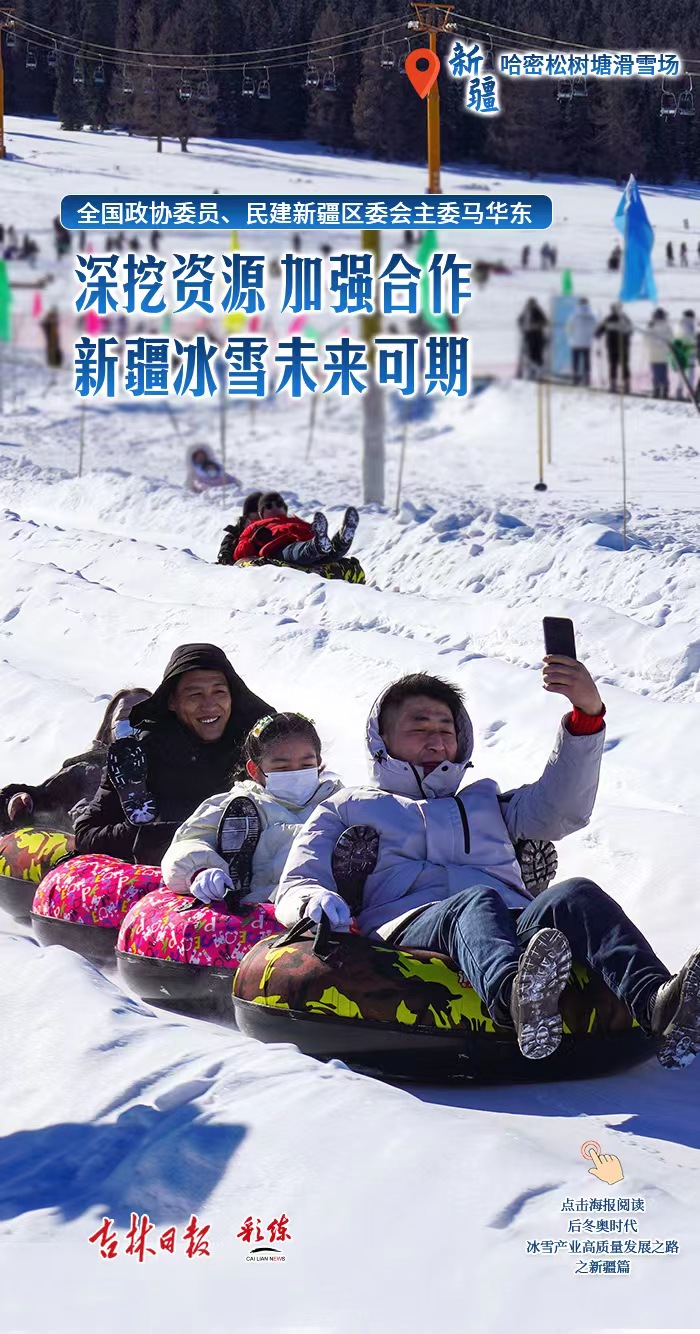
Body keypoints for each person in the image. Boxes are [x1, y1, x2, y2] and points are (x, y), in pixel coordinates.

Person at [275, 670, 700, 1070]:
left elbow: (562, 809)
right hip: (409, 921)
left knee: (577, 893)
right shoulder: (350, 805)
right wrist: (314, 900)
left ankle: (660, 1005)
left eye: (446, 730)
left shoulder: (488, 802)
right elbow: (299, 878)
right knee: (476, 900)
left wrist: (585, 718)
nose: (436, 741)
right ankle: (517, 1001)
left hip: (511, 920)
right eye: (419, 728)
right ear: (381, 740)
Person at [74, 644, 273, 865]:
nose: (209, 704)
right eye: (195, 694)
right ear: (172, 702)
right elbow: (85, 835)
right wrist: (143, 831)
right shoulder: (136, 756)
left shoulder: (259, 748)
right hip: (161, 868)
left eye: (219, 692)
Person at [162, 712, 345, 904]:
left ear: (318, 762)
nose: (296, 773)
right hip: (258, 908)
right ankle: (238, 877)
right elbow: (189, 842)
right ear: (254, 770)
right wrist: (199, 870)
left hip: (327, 902)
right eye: (282, 768)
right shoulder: (236, 805)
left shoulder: (340, 803)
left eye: (306, 765)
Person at [0, 687, 151, 835]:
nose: (135, 722)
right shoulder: (85, 771)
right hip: (80, 847)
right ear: (108, 731)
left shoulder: (165, 774)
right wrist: (15, 803)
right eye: (124, 716)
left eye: (146, 714)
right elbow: (42, 798)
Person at [233, 491, 360, 571]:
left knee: (329, 553)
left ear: (285, 508)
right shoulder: (256, 526)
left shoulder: (298, 522)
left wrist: (313, 531)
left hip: (308, 545)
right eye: (269, 506)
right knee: (294, 550)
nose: (275, 508)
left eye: (279, 504)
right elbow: (239, 554)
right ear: (261, 513)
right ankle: (318, 546)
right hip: (278, 547)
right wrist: (254, 541)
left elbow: (316, 534)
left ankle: (342, 539)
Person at [216, 491, 263, 565]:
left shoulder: (271, 529)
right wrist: (226, 557)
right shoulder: (236, 533)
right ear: (248, 514)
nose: (259, 514)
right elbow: (225, 551)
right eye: (256, 511)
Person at [595, 303, 632, 394]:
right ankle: (627, 385)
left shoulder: (608, 319)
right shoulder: (625, 318)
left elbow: (598, 332)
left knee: (613, 365)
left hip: (612, 347)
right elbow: (631, 330)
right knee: (624, 365)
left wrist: (598, 334)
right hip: (624, 346)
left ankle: (613, 385)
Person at [565, 298, 597, 386]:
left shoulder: (573, 316)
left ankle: (575, 378)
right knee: (586, 361)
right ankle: (587, 378)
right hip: (587, 343)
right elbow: (595, 329)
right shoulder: (592, 316)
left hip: (575, 342)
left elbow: (568, 328)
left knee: (575, 360)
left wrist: (571, 337)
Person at [517, 299, 548, 379]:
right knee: (530, 355)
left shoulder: (538, 311)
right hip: (529, 337)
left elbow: (545, 322)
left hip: (537, 337)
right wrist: (523, 329)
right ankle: (532, 372)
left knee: (537, 355)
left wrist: (536, 325)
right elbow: (519, 321)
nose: (532, 306)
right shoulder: (525, 312)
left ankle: (538, 372)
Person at [645, 308, 673, 399]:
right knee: (663, 374)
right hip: (663, 356)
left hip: (654, 355)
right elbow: (670, 339)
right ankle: (665, 390)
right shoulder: (667, 327)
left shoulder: (652, 327)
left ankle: (657, 390)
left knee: (656, 374)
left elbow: (647, 340)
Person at [675, 310, 696, 396]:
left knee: (682, 373)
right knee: (690, 374)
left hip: (683, 353)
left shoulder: (680, 324)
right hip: (688, 353)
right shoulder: (687, 325)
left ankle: (680, 391)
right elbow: (690, 339)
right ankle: (689, 393)